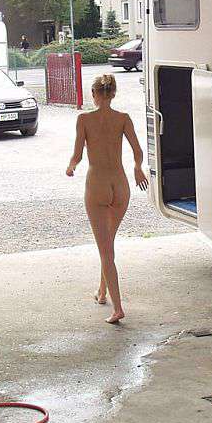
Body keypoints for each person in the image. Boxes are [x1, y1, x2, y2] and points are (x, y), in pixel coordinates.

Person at [66, 74, 148, 323]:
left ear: (94, 94)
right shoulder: (123, 118)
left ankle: (118, 308)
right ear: (113, 94)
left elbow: (78, 155)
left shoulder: (84, 120)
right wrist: (138, 168)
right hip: (121, 185)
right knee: (108, 244)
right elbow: (138, 150)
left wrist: (71, 167)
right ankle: (102, 292)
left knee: (106, 251)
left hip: (97, 185)